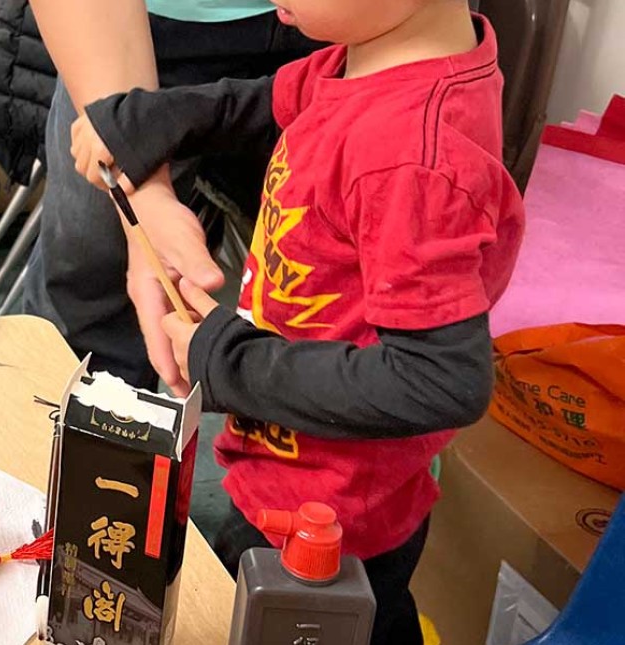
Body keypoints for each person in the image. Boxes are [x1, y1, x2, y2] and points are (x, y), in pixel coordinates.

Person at [71, 1, 524, 643]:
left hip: (326, 528)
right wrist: (154, 120)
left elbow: (439, 379)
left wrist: (225, 357)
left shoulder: (414, 161)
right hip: (287, 465)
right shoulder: (374, 56)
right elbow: (274, 101)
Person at [23, 0, 318, 392]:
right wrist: (139, 184)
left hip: (352, 34)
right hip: (134, 30)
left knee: (332, 299)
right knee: (89, 308)